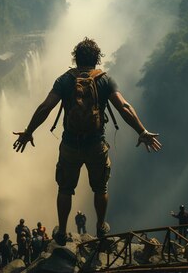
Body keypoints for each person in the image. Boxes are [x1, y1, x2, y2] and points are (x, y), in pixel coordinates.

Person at [13, 37, 162, 245]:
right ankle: (101, 227)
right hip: (96, 144)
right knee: (101, 188)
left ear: (75, 58)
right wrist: (142, 131)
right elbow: (124, 107)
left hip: (70, 145)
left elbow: (46, 107)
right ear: (97, 58)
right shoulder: (105, 80)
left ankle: (62, 232)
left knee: (65, 189)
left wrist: (29, 131)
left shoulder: (64, 80)